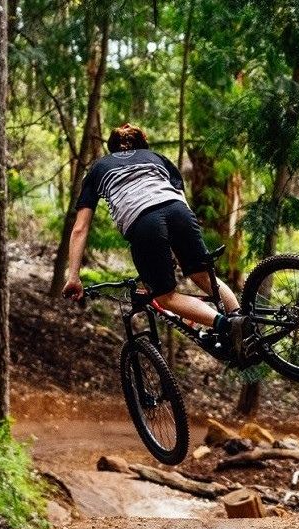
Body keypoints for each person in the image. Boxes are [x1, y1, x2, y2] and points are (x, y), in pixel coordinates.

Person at [61, 123, 248, 355]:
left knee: (164, 296)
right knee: (204, 276)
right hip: (180, 213)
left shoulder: (99, 167)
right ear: (143, 145)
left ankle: (226, 325)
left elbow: (80, 228)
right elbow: (181, 202)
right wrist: (177, 248)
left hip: (143, 222)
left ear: (112, 149)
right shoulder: (157, 158)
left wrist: (73, 277)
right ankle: (246, 331)